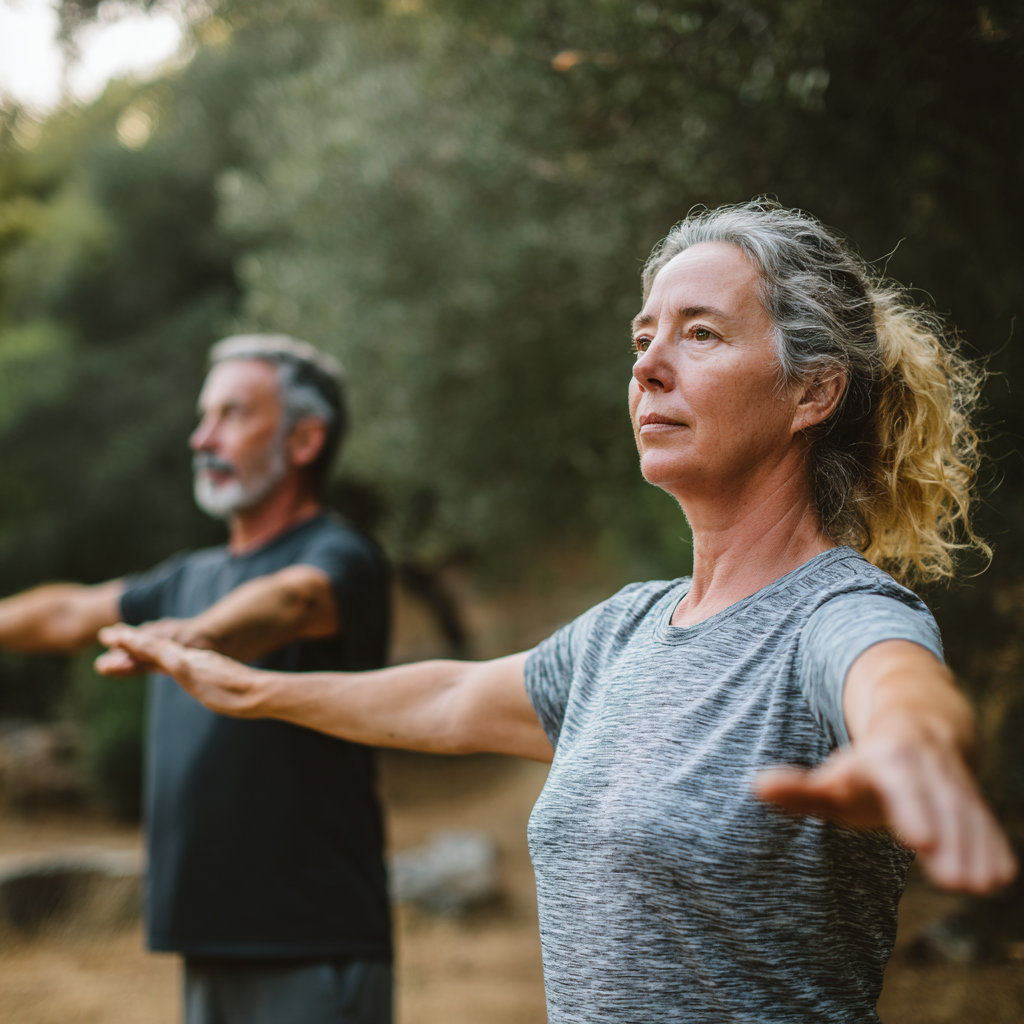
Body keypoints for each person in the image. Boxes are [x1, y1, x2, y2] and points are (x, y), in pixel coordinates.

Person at [98, 202, 1018, 1024]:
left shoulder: (832, 613)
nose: (648, 366)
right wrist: (249, 690)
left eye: (700, 334)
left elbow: (895, 680)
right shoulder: (623, 633)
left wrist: (915, 745)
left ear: (813, 391)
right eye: (642, 338)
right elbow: (449, 700)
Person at [0, 335, 393, 1024]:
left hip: (311, 942)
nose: (201, 438)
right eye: (204, 415)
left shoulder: (341, 556)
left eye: (231, 414)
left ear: (305, 439)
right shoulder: (188, 577)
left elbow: (291, 601)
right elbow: (66, 613)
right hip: (208, 943)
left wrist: (198, 636)